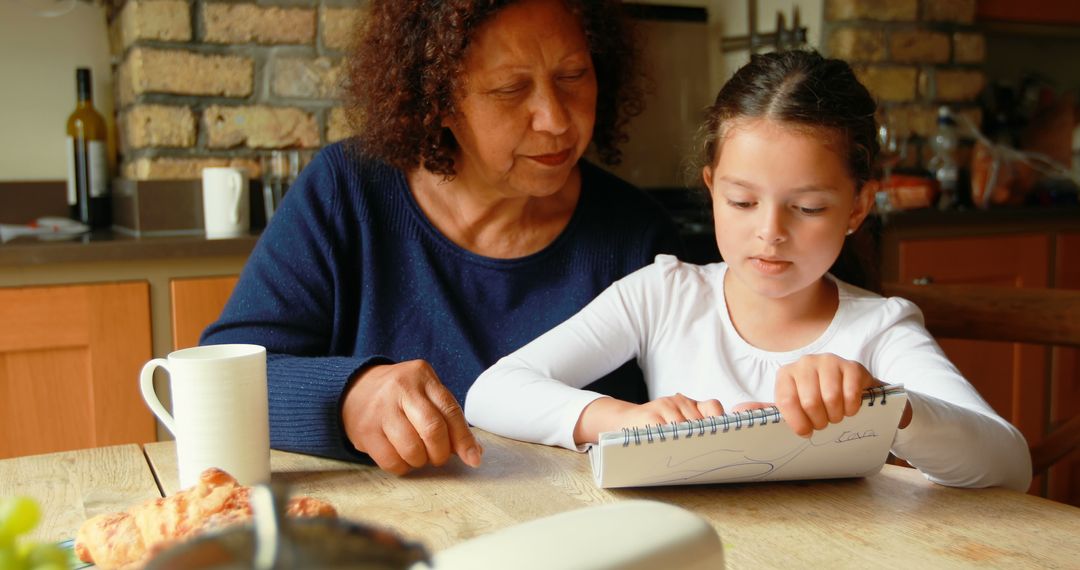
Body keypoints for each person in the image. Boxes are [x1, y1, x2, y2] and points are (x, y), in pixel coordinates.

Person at [465, 50, 1032, 492]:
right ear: (712, 190)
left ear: (857, 208)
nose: (770, 232)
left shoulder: (878, 329)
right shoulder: (663, 295)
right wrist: (621, 419)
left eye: (808, 208)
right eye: (742, 202)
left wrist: (888, 403)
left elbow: (1008, 466)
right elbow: (492, 393)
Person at [201, 0, 683, 475]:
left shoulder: (640, 237)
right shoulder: (347, 193)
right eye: (511, 88)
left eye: (573, 76)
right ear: (438, 102)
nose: (555, 119)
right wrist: (348, 395)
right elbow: (213, 382)